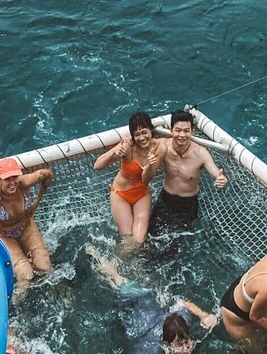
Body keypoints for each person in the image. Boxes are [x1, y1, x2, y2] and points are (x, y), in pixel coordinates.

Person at [85, 243, 217, 353]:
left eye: (186, 342)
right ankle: (94, 254)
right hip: (135, 305)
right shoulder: (150, 348)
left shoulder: (182, 322)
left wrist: (203, 315)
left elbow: (183, 304)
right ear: (166, 343)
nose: (186, 349)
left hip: (148, 301)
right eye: (179, 345)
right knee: (115, 278)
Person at [142, 109, 227, 235]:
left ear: (192, 131)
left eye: (186, 131)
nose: (182, 135)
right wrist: (149, 163)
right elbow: (145, 178)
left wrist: (222, 180)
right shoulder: (163, 146)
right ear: (171, 130)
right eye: (178, 130)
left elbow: (217, 174)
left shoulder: (200, 153)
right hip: (165, 199)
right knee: (150, 236)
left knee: (175, 243)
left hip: (188, 204)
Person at [0, 157, 53, 297]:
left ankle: (57, 294)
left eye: (14, 177)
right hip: (5, 234)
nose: (12, 183)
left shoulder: (25, 183)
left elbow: (47, 173)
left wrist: (36, 201)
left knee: (45, 266)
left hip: (26, 226)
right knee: (26, 275)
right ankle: (17, 308)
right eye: (7, 179)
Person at [94, 112, 166, 245]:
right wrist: (114, 154)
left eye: (144, 132)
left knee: (138, 240)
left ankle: (131, 263)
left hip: (142, 194)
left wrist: (150, 164)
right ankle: (106, 263)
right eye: (137, 135)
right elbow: (97, 165)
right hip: (121, 194)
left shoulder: (159, 148)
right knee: (127, 240)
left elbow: (145, 180)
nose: (141, 138)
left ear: (151, 130)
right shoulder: (127, 146)